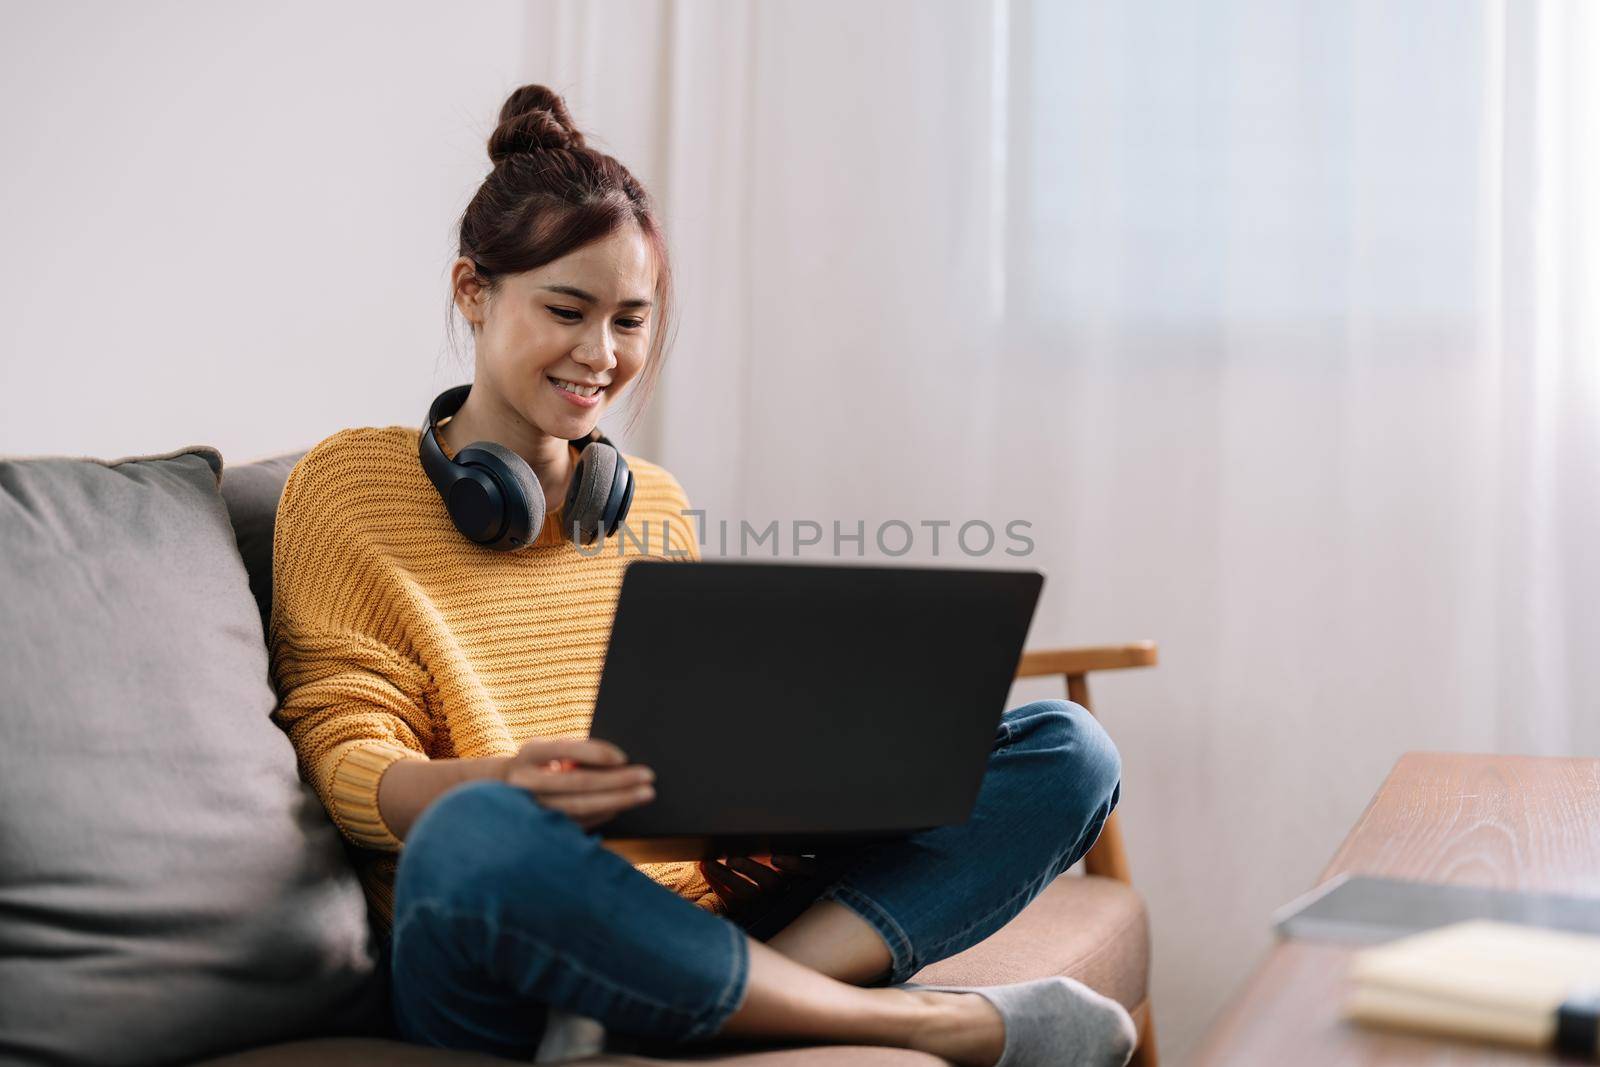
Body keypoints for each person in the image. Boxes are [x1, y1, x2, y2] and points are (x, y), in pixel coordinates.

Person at [268, 83, 1135, 1067]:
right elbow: (344, 763)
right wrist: (503, 781)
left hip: (692, 912)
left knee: (1069, 750)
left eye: (630, 321)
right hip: (497, 930)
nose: (600, 354)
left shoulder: (650, 502)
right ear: (473, 289)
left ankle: (703, 1001)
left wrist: (782, 797)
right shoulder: (347, 487)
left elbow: (693, 746)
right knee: (474, 830)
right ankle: (908, 1018)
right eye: (567, 309)